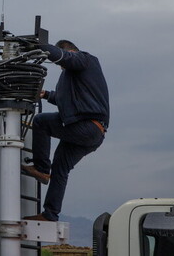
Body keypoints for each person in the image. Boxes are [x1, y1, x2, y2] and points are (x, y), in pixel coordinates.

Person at [21, 39, 109, 222]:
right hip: (92, 132)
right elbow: (67, 101)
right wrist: (46, 95)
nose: (61, 66)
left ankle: (41, 169)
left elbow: (66, 58)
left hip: (87, 125)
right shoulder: (75, 76)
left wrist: (40, 47)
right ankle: (50, 214)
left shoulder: (85, 59)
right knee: (60, 167)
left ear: (68, 51)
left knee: (41, 121)